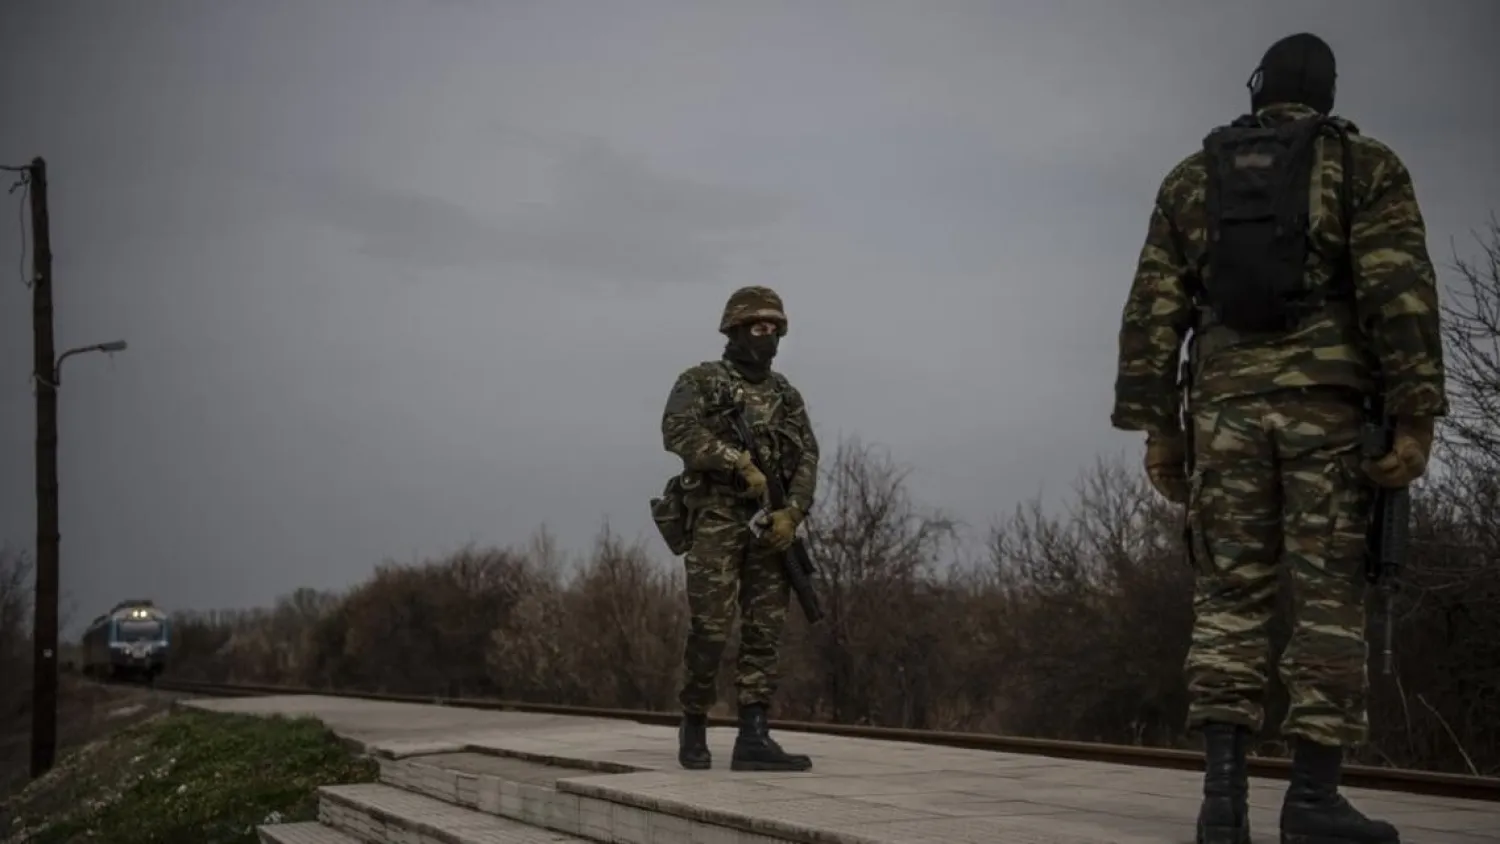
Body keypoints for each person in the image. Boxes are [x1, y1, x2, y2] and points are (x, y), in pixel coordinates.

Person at [1110, 32, 1447, 844]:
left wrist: (1160, 430)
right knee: (1328, 598)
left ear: (1258, 92)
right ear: (1327, 95)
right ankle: (1313, 801)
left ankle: (1222, 803)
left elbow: (1152, 313)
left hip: (1223, 415)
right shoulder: (1365, 167)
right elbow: (1399, 292)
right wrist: (1415, 411)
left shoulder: (1192, 178)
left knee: (1228, 598)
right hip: (1328, 416)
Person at [656, 285, 819, 772]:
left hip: (770, 523)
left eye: (773, 328)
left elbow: (807, 455)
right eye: (757, 327)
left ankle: (754, 734)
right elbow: (677, 430)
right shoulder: (702, 381)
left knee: (764, 630)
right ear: (735, 330)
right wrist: (735, 461)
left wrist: (793, 512)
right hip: (717, 518)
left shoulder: (786, 395)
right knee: (710, 628)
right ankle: (694, 720)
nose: (766, 336)